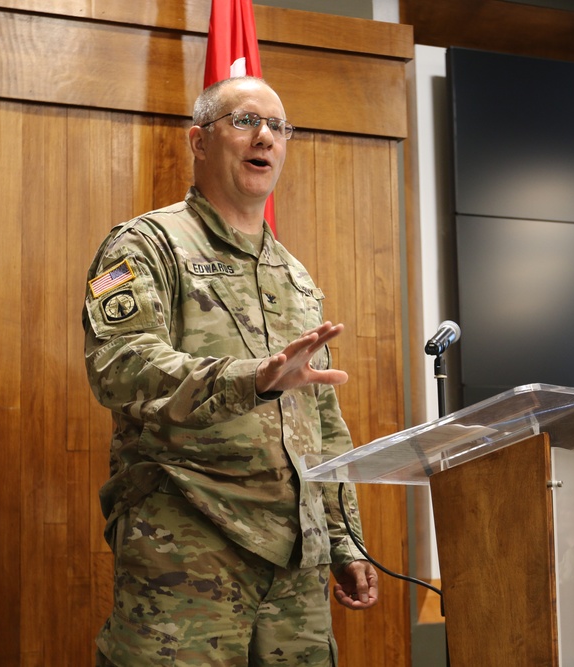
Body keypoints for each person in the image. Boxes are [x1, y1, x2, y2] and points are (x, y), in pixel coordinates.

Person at [83, 76, 378, 666]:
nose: (265, 136)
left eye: (278, 127)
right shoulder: (145, 245)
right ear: (199, 141)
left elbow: (323, 421)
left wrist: (344, 538)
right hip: (188, 544)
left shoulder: (294, 276)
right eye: (244, 121)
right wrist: (251, 379)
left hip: (298, 562)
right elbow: (120, 365)